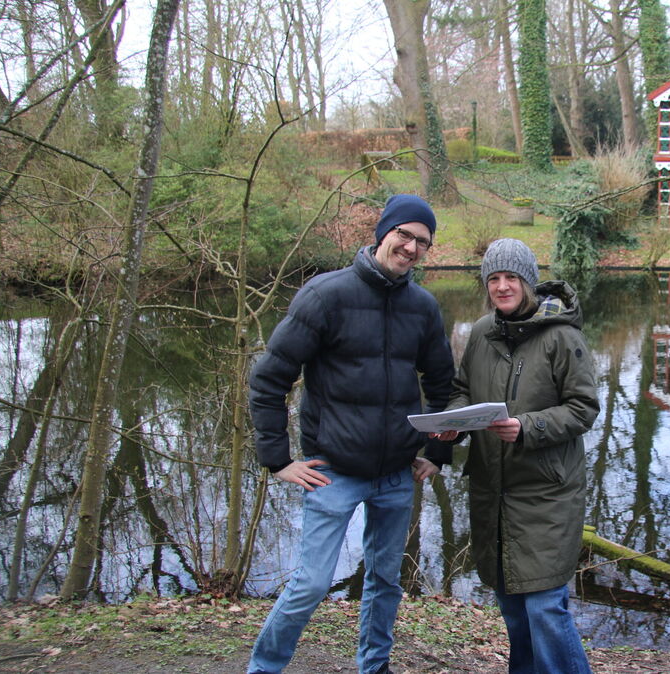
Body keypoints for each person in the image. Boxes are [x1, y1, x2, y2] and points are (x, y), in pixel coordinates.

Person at [246, 194, 454, 674]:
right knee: (312, 582)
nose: (410, 247)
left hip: (397, 475)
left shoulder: (422, 307)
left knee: (385, 581)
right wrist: (278, 459)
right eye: (404, 234)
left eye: (422, 242)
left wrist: (436, 453)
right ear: (383, 232)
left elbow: (444, 386)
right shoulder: (325, 295)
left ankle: (374, 666)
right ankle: (263, 668)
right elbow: (270, 378)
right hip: (332, 471)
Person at [434, 238, 599, 674]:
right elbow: (462, 391)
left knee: (545, 608)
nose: (502, 287)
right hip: (493, 489)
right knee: (512, 607)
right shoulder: (482, 333)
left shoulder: (562, 336)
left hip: (546, 493)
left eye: (511, 278)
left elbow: (583, 409)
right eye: (494, 279)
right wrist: (454, 421)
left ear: (529, 281)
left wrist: (529, 426)